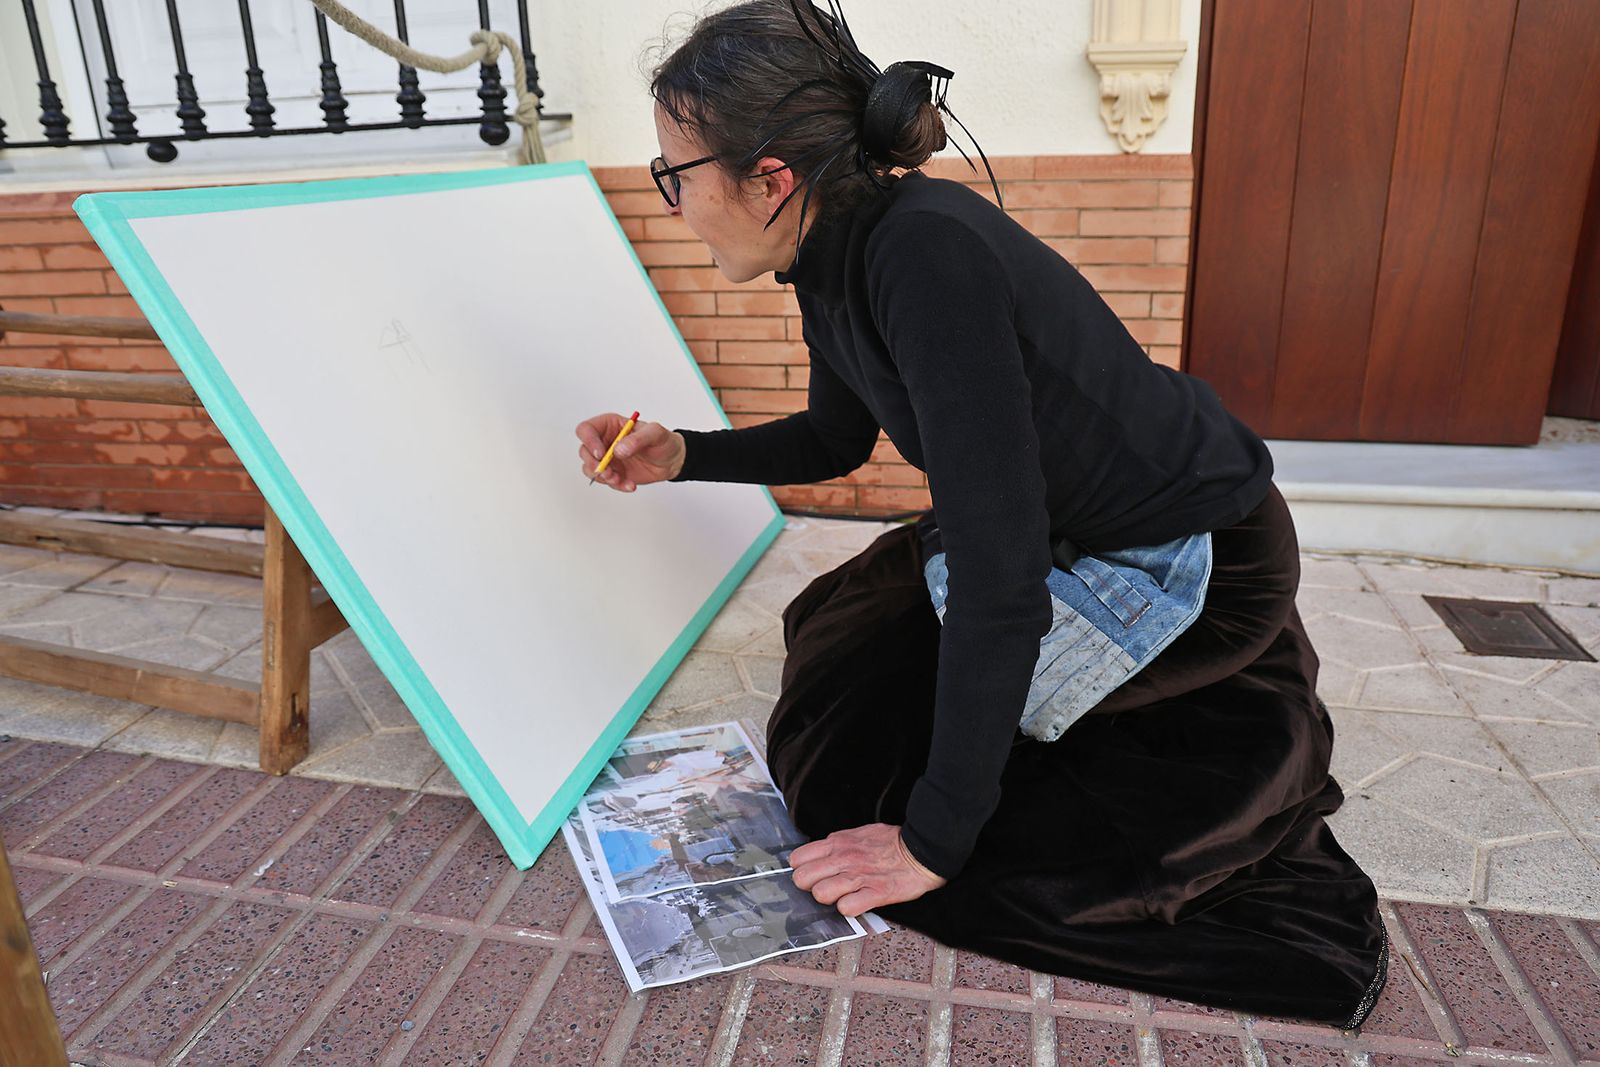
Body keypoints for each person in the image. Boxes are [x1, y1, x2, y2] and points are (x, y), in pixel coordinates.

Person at [576, 0, 1387, 1027]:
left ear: (770, 179)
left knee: (876, 781)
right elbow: (835, 439)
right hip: (1062, 521)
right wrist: (684, 454)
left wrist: (932, 841)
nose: (671, 202)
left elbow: (1002, 580)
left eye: (675, 175)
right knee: (839, 653)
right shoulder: (830, 248)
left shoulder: (923, 257)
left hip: (1195, 557)